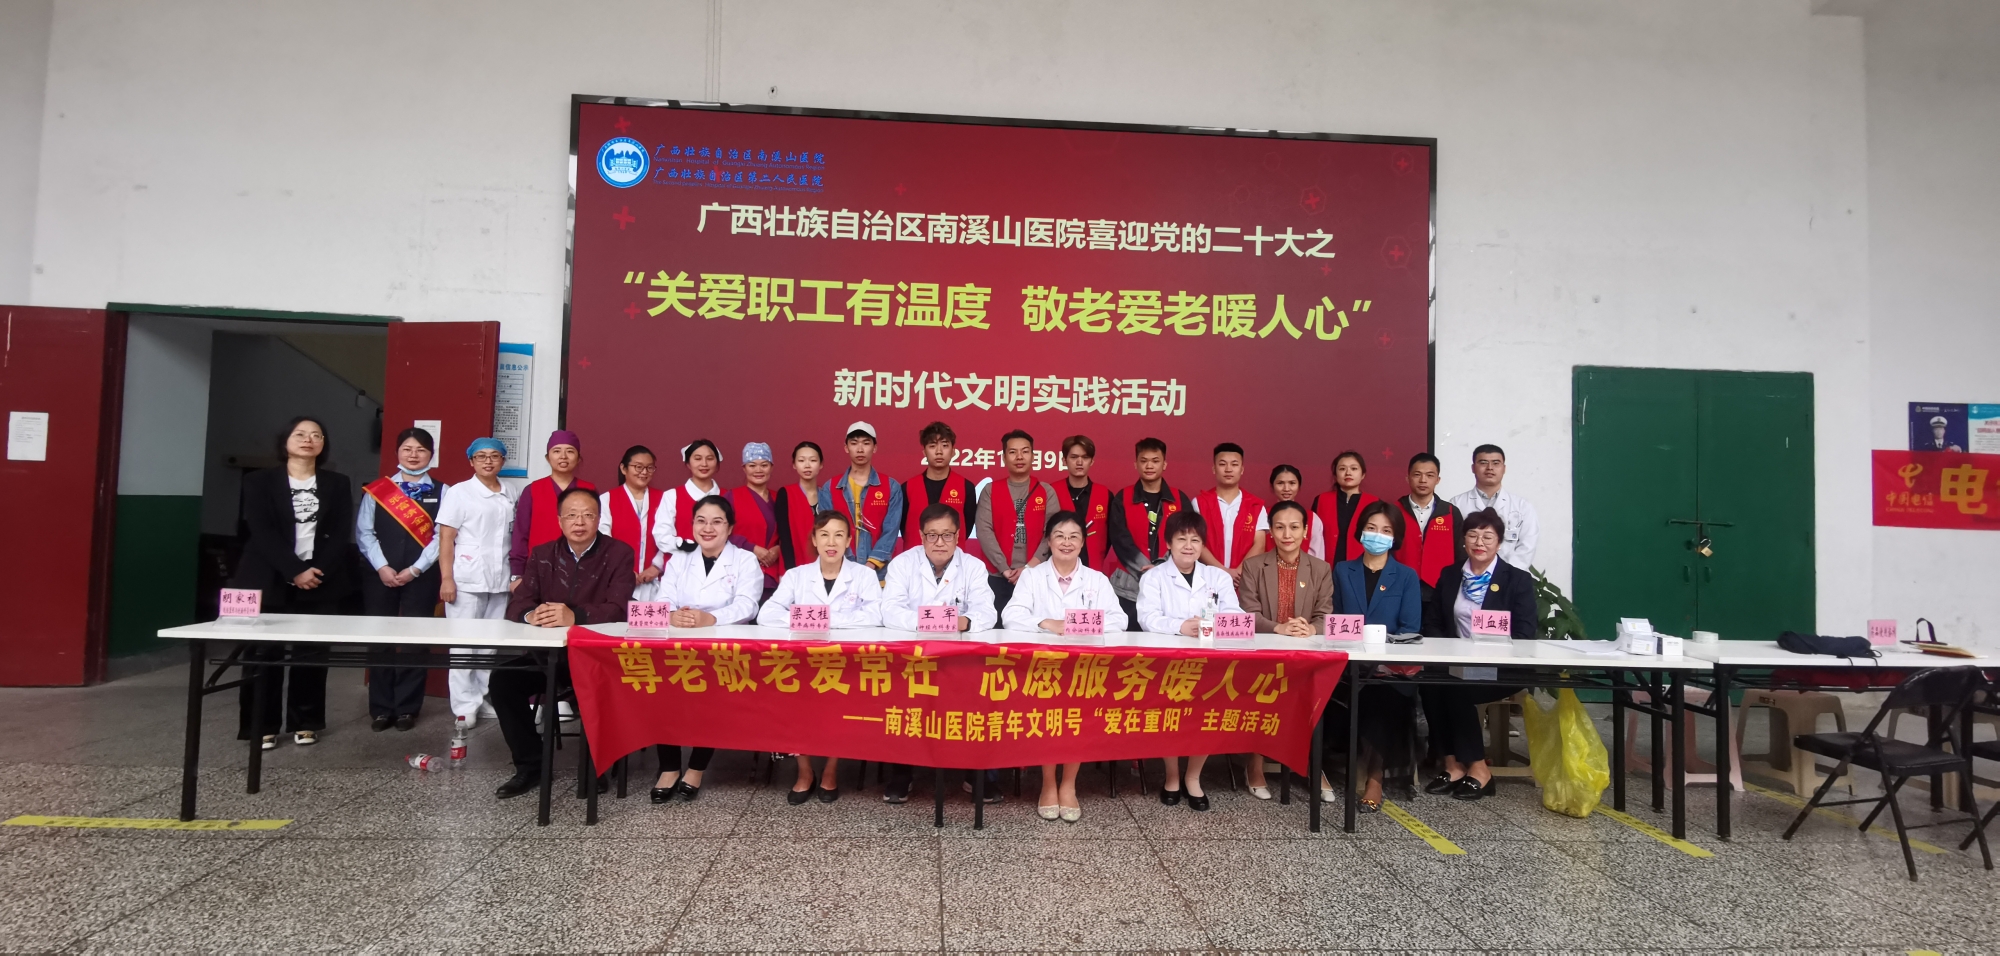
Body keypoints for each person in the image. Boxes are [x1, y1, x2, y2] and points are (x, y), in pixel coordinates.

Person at [489, 488, 636, 799]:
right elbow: (518, 603)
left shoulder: (619, 553)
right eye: (571, 515)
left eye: (587, 515)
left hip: (597, 657)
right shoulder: (543, 554)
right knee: (503, 681)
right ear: (559, 520)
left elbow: (620, 608)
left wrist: (576, 616)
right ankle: (531, 766)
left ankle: (596, 765)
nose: (579, 522)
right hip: (548, 655)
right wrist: (531, 615)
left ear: (599, 518)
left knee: (596, 688)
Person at [233, 416, 353, 750]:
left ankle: (306, 722)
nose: (308, 439)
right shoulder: (259, 481)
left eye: (316, 435)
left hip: (320, 579)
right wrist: (294, 570)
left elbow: (340, 532)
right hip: (267, 577)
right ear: (284, 441)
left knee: (311, 655)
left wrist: (315, 570)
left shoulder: (337, 482)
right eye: (300, 434)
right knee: (262, 654)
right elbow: (261, 531)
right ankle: (261, 726)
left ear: (323, 444)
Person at [1001, 511, 1127, 822]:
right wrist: (1048, 623)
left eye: (1073, 537)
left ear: (1083, 543)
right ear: (1048, 541)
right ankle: (1048, 783)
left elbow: (1119, 620)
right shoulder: (1032, 576)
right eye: (1059, 536)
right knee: (1049, 717)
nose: (1066, 542)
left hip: (1084, 669)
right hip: (1043, 668)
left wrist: (1079, 624)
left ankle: (1069, 784)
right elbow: (1011, 615)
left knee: (1076, 719)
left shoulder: (1096, 580)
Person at [756, 510, 882, 804]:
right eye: (824, 535)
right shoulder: (796, 576)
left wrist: (824, 620)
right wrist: (805, 621)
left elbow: (876, 615)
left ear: (849, 541)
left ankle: (830, 770)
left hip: (844, 663)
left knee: (841, 707)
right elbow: (767, 613)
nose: (831, 542)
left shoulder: (863, 575)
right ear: (814, 540)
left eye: (839, 535)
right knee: (795, 705)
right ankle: (804, 771)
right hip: (802, 663)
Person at [879, 503, 998, 804]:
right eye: (932, 535)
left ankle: (975, 772)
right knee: (903, 705)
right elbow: (889, 610)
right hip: (913, 658)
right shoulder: (903, 564)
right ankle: (902, 773)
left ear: (958, 536)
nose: (940, 542)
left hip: (960, 660)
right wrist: (928, 621)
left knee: (979, 701)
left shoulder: (973, 566)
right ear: (921, 537)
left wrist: (964, 622)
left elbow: (987, 611)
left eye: (947, 535)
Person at [649, 494, 763, 803]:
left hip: (722, 646)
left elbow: (748, 605)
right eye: (701, 521)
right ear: (692, 525)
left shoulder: (745, 560)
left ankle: (696, 767)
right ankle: (669, 767)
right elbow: (663, 598)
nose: (708, 528)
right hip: (679, 643)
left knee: (710, 694)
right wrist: (671, 615)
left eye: (716, 522)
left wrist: (711, 618)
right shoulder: (679, 560)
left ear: (729, 528)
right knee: (662, 691)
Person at [1419, 508, 1539, 801]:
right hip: (1456, 663)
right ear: (1463, 540)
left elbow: (1524, 634)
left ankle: (1478, 769)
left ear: (1499, 542)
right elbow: (1433, 622)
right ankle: (1452, 765)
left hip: (1502, 667)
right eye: (1472, 535)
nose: (1479, 542)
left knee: (1457, 688)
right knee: (1429, 684)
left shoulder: (1517, 580)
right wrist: (1451, 652)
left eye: (1488, 536)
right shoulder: (1451, 575)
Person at [1135, 511, 1242, 812]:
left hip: (1210, 661)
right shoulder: (1154, 577)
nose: (1188, 546)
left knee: (1205, 716)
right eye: (1181, 539)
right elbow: (1146, 618)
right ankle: (1171, 775)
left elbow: (1235, 614)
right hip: (1168, 662)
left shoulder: (1217, 577)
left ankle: (1193, 776)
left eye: (1195, 540)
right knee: (1170, 715)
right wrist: (1180, 626)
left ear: (1203, 545)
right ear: (1168, 543)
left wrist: (1212, 624)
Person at [1235, 499, 1335, 797]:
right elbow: (1247, 614)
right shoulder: (1254, 566)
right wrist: (1277, 628)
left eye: (1294, 527)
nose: (1287, 534)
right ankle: (1254, 764)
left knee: (1314, 697)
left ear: (1305, 531)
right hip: (1263, 655)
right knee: (1260, 695)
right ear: (1271, 532)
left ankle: (1312, 764)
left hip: (1304, 653)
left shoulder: (1321, 568)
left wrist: (1311, 628)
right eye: (1279, 527)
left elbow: (1325, 615)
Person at [1330, 501, 1424, 811]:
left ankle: (1375, 778)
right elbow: (1335, 620)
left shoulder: (1406, 576)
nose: (1377, 535)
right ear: (1360, 532)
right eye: (1371, 528)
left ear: (1395, 538)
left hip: (1390, 668)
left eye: (1385, 530)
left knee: (1383, 696)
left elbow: (1410, 629)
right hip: (1348, 666)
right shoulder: (1342, 570)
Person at [356, 426, 444, 732]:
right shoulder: (378, 490)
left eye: (421, 450)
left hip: (422, 576)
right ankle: (381, 708)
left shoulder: (444, 491)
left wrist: (416, 569)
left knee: (415, 642)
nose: (414, 455)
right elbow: (365, 533)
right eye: (407, 449)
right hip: (379, 575)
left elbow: (441, 536)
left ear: (431, 455)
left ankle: (407, 707)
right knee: (379, 640)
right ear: (397, 453)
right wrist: (382, 566)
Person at [437, 437, 517, 733]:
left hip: (499, 578)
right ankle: (463, 707)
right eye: (481, 456)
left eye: (494, 456)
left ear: (503, 461)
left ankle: (481, 699)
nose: (488, 461)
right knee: (463, 646)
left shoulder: (511, 491)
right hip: (466, 580)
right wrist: (447, 578)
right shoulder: (459, 492)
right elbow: (446, 538)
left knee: (488, 647)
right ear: (471, 461)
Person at [1106, 437, 1196, 630]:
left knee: (1167, 637)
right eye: (1144, 461)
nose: (1149, 466)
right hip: (1128, 587)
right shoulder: (1123, 497)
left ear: (1164, 464)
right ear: (1135, 464)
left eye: (1155, 461)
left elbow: (1188, 539)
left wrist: (1161, 567)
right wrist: (1145, 568)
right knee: (1127, 639)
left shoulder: (1179, 499)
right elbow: (1119, 539)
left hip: (1170, 584)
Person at [978, 429, 1056, 610]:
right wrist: (1004, 568)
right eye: (1013, 452)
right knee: (996, 624)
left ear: (1033, 456)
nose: (1019, 457)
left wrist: (1029, 568)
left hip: (1037, 575)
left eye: (1025, 451)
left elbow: (1052, 533)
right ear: (1004, 458)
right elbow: (984, 530)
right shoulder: (991, 490)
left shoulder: (1046, 491)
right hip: (997, 576)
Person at [818, 421, 905, 580]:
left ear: (874, 447)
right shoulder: (830, 488)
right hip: (840, 572)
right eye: (854, 443)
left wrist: (869, 567)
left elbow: (891, 531)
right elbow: (827, 531)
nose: (860, 449)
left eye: (866, 443)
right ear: (846, 447)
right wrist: (849, 565)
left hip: (878, 576)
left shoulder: (891, 487)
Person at [508, 430, 594, 585]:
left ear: (578, 458)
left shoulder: (589, 490)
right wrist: (517, 574)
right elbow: (521, 534)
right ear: (548, 457)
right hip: (539, 570)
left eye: (570, 451)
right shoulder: (533, 490)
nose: (563, 456)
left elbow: (596, 531)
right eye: (556, 451)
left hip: (581, 570)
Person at [1394, 453, 1466, 636]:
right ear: (1407, 478)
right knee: (1403, 640)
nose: (1423, 480)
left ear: (1438, 479)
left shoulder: (1451, 512)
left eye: (1429, 475)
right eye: (1417, 474)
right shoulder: (1393, 510)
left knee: (1438, 642)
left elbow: (1460, 554)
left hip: (1439, 590)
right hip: (1400, 588)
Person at [899, 421, 981, 566]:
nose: (939, 451)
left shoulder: (966, 487)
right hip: (914, 563)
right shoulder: (907, 487)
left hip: (953, 563)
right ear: (924, 452)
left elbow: (966, 527)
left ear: (953, 451)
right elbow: (903, 527)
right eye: (932, 446)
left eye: (945, 445)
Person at [1449, 444, 1539, 570]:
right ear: (1473, 468)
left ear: (1504, 468)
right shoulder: (1456, 504)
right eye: (1483, 463)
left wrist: (1505, 575)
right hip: (1466, 575)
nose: (1490, 468)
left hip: (1509, 576)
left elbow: (1527, 547)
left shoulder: (1522, 507)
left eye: (1496, 463)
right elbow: (1451, 545)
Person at [598, 445, 666, 601]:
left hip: (656, 581)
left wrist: (657, 566)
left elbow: (670, 537)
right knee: (618, 616)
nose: (644, 472)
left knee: (656, 617)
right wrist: (624, 570)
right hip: (618, 580)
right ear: (623, 468)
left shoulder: (665, 499)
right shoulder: (607, 499)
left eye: (649, 468)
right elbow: (604, 541)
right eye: (638, 467)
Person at [1195, 442, 1268, 584]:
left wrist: (1239, 572)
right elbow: (1195, 541)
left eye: (1234, 464)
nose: (1228, 469)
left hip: (1243, 580)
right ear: (1214, 469)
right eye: (1222, 464)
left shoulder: (1256, 505)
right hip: (1207, 578)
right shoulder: (1199, 503)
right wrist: (1223, 572)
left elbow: (1259, 544)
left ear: (1242, 469)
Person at [727, 442, 784, 598]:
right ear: (744, 468)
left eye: (764, 465)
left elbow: (790, 531)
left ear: (771, 467)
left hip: (773, 573)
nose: (758, 470)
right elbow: (720, 533)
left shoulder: (780, 497)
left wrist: (779, 549)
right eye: (752, 465)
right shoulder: (732, 497)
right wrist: (752, 548)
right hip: (741, 571)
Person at [654, 439, 724, 560]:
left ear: (717, 463)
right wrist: (683, 544)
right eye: (697, 458)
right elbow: (662, 535)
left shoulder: (728, 496)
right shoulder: (672, 496)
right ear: (688, 463)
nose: (704, 464)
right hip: (680, 565)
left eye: (710, 458)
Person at [1309, 450, 1377, 565]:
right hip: (1325, 565)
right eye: (1342, 469)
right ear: (1335, 475)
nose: (1348, 473)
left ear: (1363, 474)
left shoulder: (1374, 503)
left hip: (1361, 566)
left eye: (1354, 468)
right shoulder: (1321, 500)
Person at [772, 441, 824, 571]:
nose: (807, 465)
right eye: (801, 460)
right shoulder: (786, 493)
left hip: (824, 565)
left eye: (813, 460)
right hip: (794, 565)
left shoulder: (826, 494)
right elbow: (784, 536)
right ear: (794, 465)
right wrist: (791, 571)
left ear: (821, 464)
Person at [1269, 464, 1316, 553]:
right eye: (1280, 483)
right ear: (1272, 486)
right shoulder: (1262, 515)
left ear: (1299, 486)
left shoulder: (1312, 518)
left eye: (1292, 483)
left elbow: (1317, 554)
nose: (1286, 489)